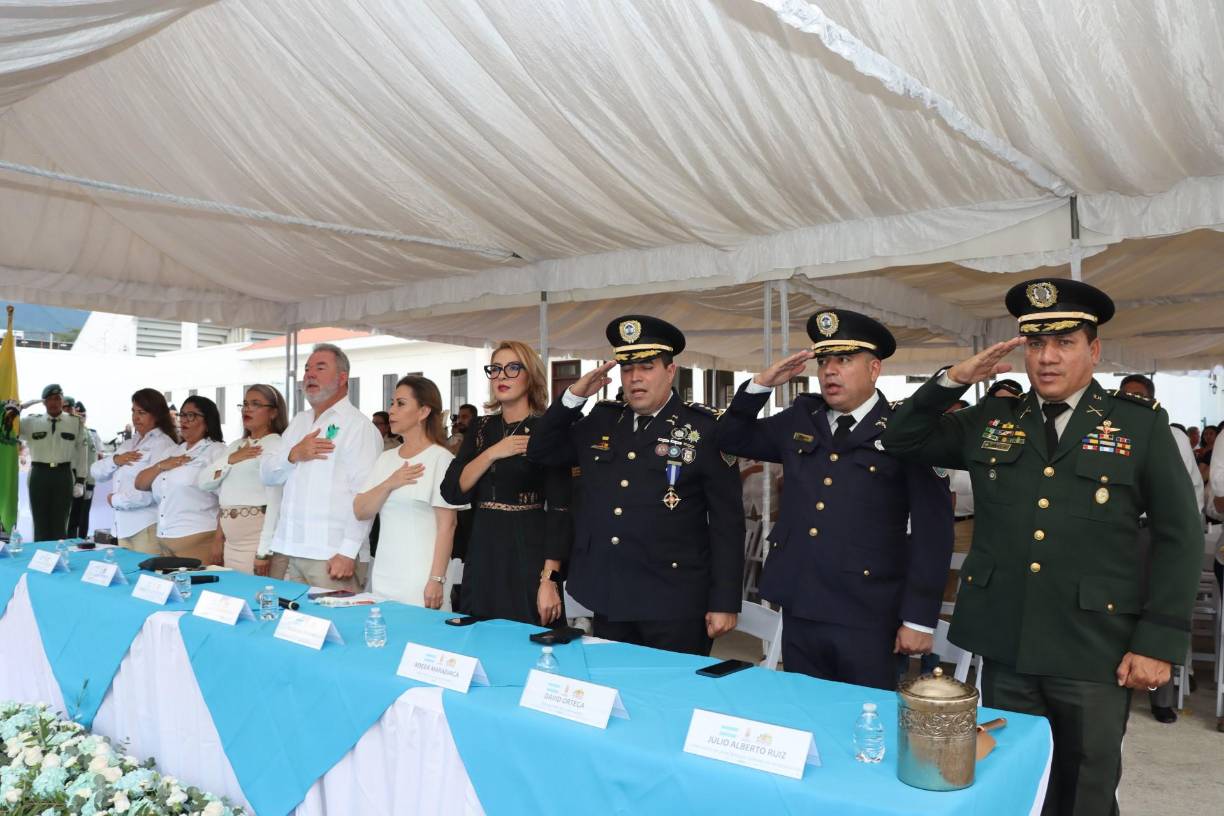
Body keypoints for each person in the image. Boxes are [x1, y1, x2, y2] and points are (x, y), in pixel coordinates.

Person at [881, 277, 1202, 816]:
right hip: (1009, 640)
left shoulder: (1139, 426)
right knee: (1019, 779)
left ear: (1094, 350)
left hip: (1094, 645)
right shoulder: (992, 419)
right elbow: (901, 438)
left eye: (1064, 343)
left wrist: (1159, 642)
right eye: (1035, 344)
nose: (1047, 358)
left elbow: (1180, 535)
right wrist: (954, 380)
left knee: (1087, 783)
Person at [716, 310, 953, 689]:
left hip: (868, 611)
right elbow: (729, 438)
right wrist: (760, 386)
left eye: (843, 360)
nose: (830, 371)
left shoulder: (903, 429)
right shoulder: (801, 419)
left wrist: (919, 619)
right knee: (804, 708)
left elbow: (933, 531)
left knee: (864, 714)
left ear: (874, 369)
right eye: (824, 361)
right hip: (801, 601)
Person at [527, 317, 744, 656]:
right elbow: (541, 450)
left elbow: (727, 523)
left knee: (671, 687)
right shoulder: (603, 419)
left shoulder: (704, 429)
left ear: (670, 371)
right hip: (611, 594)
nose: (635, 378)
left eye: (646, 367)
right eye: (627, 369)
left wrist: (725, 601)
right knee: (613, 683)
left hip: (675, 600)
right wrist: (573, 396)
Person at [440, 342, 572, 625]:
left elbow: (560, 510)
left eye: (513, 368)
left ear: (531, 375)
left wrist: (549, 579)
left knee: (529, 636)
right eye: (496, 369)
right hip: (483, 549)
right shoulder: (480, 427)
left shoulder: (547, 429)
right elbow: (452, 490)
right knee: (480, 635)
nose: (502, 376)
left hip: (529, 549)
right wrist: (493, 452)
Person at [1117, 374, 1203, 724]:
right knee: (1115, 609)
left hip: (1153, 532)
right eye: (1127, 395)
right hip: (1117, 534)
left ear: (1153, 399)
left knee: (1163, 608)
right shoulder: (1107, 431)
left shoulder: (1172, 435)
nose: (1133, 401)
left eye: (1139, 396)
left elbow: (1191, 492)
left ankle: (1161, 698)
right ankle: (1116, 683)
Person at [261, 343, 382, 591]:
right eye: (307, 369)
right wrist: (293, 454)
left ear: (342, 378)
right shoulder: (299, 422)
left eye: (320, 368)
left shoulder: (358, 427)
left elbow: (365, 495)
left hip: (332, 554)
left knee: (333, 617)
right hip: (289, 548)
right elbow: (267, 474)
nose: (310, 375)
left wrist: (348, 551)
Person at [356, 376, 465, 608]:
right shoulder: (386, 459)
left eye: (401, 403)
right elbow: (361, 510)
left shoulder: (441, 459)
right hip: (384, 574)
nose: (391, 410)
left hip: (422, 578)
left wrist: (436, 579)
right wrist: (390, 483)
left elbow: (448, 526)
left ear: (423, 411)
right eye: (392, 403)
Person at [199, 385, 288, 576]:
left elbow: (276, 501)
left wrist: (264, 551)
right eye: (245, 404)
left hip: (256, 540)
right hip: (231, 542)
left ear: (273, 412)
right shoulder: (235, 446)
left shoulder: (276, 444)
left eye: (256, 404)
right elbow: (204, 482)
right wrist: (231, 459)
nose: (247, 409)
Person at [133, 395, 224, 562]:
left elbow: (226, 500)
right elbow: (140, 483)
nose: (184, 420)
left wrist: (219, 540)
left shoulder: (216, 451)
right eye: (182, 415)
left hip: (199, 537)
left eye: (191, 415)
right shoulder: (173, 451)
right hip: (165, 537)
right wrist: (161, 465)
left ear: (207, 421)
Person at [91, 389, 180, 553]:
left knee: (145, 570)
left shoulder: (163, 445)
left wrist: (116, 500)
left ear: (157, 415)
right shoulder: (129, 444)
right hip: (122, 527)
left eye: (142, 412)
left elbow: (154, 492)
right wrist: (115, 460)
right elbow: (96, 472)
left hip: (146, 527)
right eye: (133, 411)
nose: (135, 417)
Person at [5, 384, 88, 540]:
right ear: (44, 402)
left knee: (60, 523)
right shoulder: (30, 422)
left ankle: (58, 552)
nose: (54, 402)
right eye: (50, 399)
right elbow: (7, 428)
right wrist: (19, 408)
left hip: (63, 474)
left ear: (62, 400)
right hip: (39, 474)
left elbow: (82, 452)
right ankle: (41, 553)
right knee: (40, 522)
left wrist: (81, 480)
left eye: (57, 398)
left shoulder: (75, 422)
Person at [67, 401, 102, 539]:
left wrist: (91, 483)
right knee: (72, 514)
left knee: (84, 513)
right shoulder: (70, 432)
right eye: (78, 415)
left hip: (89, 480)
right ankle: (71, 540)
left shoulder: (91, 433)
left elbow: (96, 456)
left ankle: (82, 539)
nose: (81, 417)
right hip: (76, 478)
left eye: (83, 415)